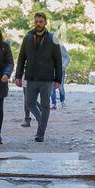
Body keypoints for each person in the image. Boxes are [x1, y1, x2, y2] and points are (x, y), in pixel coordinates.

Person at [13, 12, 62, 142]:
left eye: (40, 21)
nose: (38, 24)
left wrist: (58, 79)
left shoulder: (53, 38)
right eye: (36, 21)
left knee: (46, 105)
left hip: (46, 78)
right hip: (31, 76)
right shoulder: (28, 37)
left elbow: (58, 60)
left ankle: (40, 133)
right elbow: (22, 57)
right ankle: (42, 122)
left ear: (45, 23)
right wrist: (18, 76)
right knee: (29, 103)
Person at [50, 41, 69, 109]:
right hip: (51, 71)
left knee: (60, 86)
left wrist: (63, 66)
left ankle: (62, 101)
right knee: (51, 87)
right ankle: (53, 103)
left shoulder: (61, 47)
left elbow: (67, 58)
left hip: (60, 71)